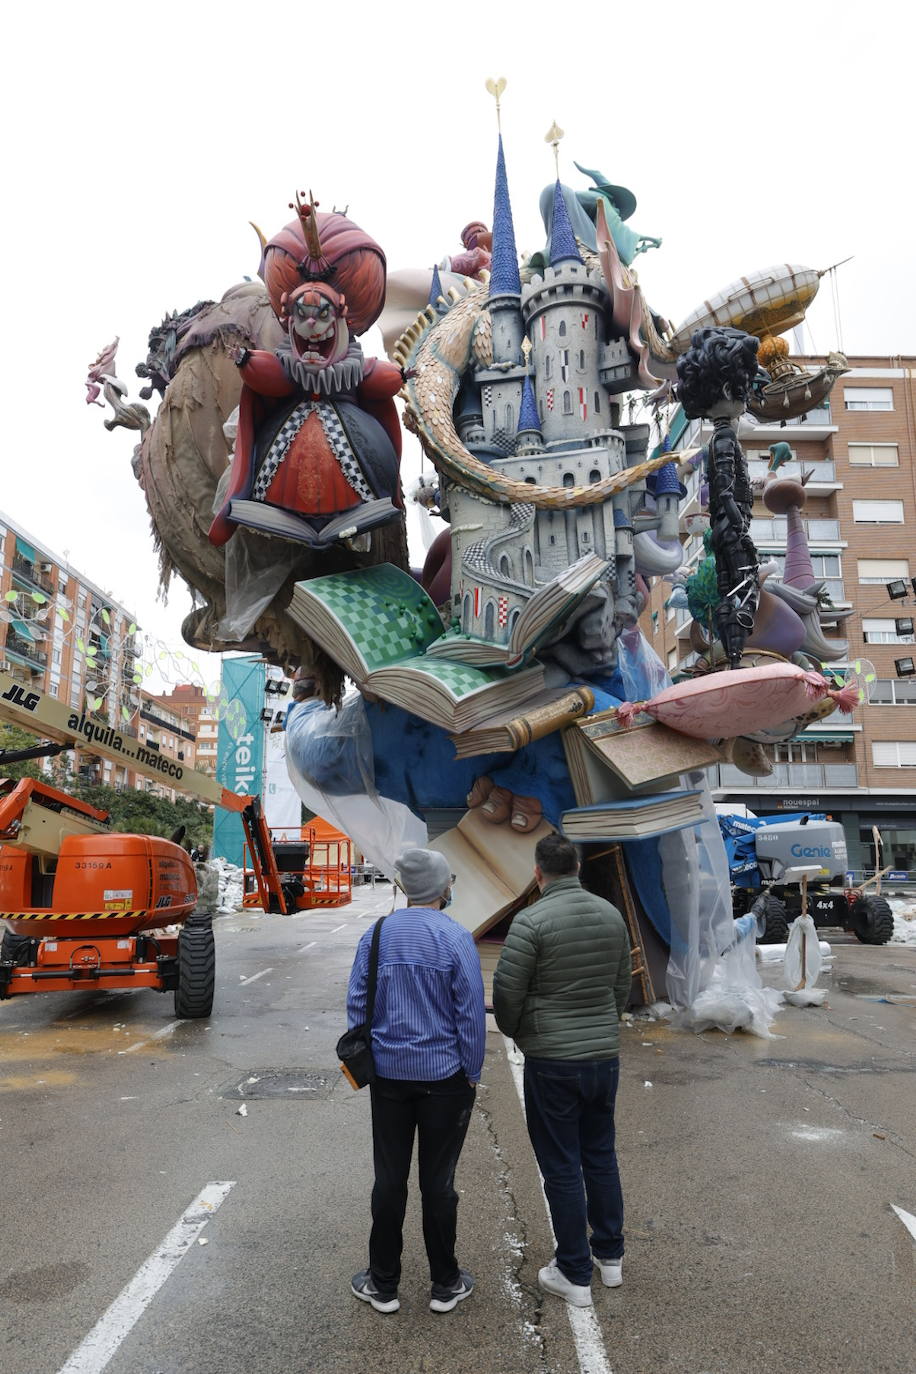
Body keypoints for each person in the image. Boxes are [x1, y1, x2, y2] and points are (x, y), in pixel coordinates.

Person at [493, 833, 631, 1308]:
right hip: (602, 1058)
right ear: (578, 868)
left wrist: (519, 1033)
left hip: (552, 1061)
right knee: (600, 1154)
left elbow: (508, 996)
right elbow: (620, 985)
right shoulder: (611, 915)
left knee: (561, 1166)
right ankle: (609, 1257)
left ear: (538, 872)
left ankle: (573, 1272)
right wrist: (601, 1028)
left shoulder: (530, 922)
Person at [347, 848, 486, 1316]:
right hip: (445, 1079)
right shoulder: (456, 938)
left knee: (389, 1181)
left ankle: (383, 1284)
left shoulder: (378, 935)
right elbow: (469, 1016)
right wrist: (472, 1072)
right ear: (442, 887)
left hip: (388, 1077)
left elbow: (357, 1005)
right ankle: (445, 1283)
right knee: (438, 1182)